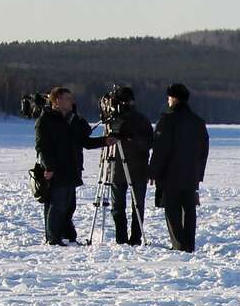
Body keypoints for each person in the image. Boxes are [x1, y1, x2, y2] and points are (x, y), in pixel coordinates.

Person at [32, 87, 111, 246]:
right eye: (67, 98)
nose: (71, 101)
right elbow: (42, 147)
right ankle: (54, 239)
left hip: (72, 168)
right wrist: (48, 168)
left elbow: (85, 141)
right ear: (56, 101)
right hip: (56, 169)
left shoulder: (74, 120)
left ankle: (67, 236)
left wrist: (105, 141)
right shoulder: (45, 120)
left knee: (69, 206)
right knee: (57, 205)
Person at [149, 82, 209, 252]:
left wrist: (153, 171)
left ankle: (178, 244)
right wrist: (199, 173)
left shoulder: (167, 120)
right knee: (189, 210)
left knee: (172, 210)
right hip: (191, 175)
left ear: (174, 99)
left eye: (169, 98)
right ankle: (189, 245)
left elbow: (160, 149)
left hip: (171, 175)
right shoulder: (198, 122)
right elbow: (204, 151)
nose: (168, 101)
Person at [99, 86, 153, 245]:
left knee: (137, 205)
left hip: (136, 168)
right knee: (118, 207)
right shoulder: (112, 120)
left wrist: (131, 138)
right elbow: (107, 141)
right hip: (116, 167)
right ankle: (121, 238)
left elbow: (148, 142)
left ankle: (135, 237)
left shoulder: (140, 120)